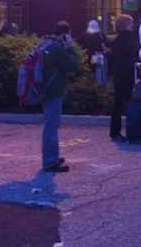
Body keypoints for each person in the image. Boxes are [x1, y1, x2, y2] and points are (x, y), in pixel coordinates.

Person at [41, 21, 79, 173]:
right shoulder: (57, 49)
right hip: (53, 89)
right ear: (64, 34)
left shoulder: (45, 43)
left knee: (51, 124)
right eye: (69, 35)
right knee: (51, 125)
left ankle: (52, 156)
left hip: (45, 88)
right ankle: (50, 161)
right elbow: (73, 66)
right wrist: (71, 48)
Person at [110, 15, 140, 140]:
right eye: (131, 23)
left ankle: (115, 131)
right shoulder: (129, 38)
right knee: (128, 101)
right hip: (126, 73)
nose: (133, 25)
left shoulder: (116, 39)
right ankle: (132, 130)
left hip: (118, 72)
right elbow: (133, 52)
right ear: (126, 25)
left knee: (118, 102)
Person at [78, 20, 109, 87]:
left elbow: (77, 43)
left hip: (88, 56)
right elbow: (108, 43)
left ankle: (91, 87)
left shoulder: (85, 35)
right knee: (100, 72)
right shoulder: (100, 34)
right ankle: (100, 87)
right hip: (98, 56)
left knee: (90, 73)